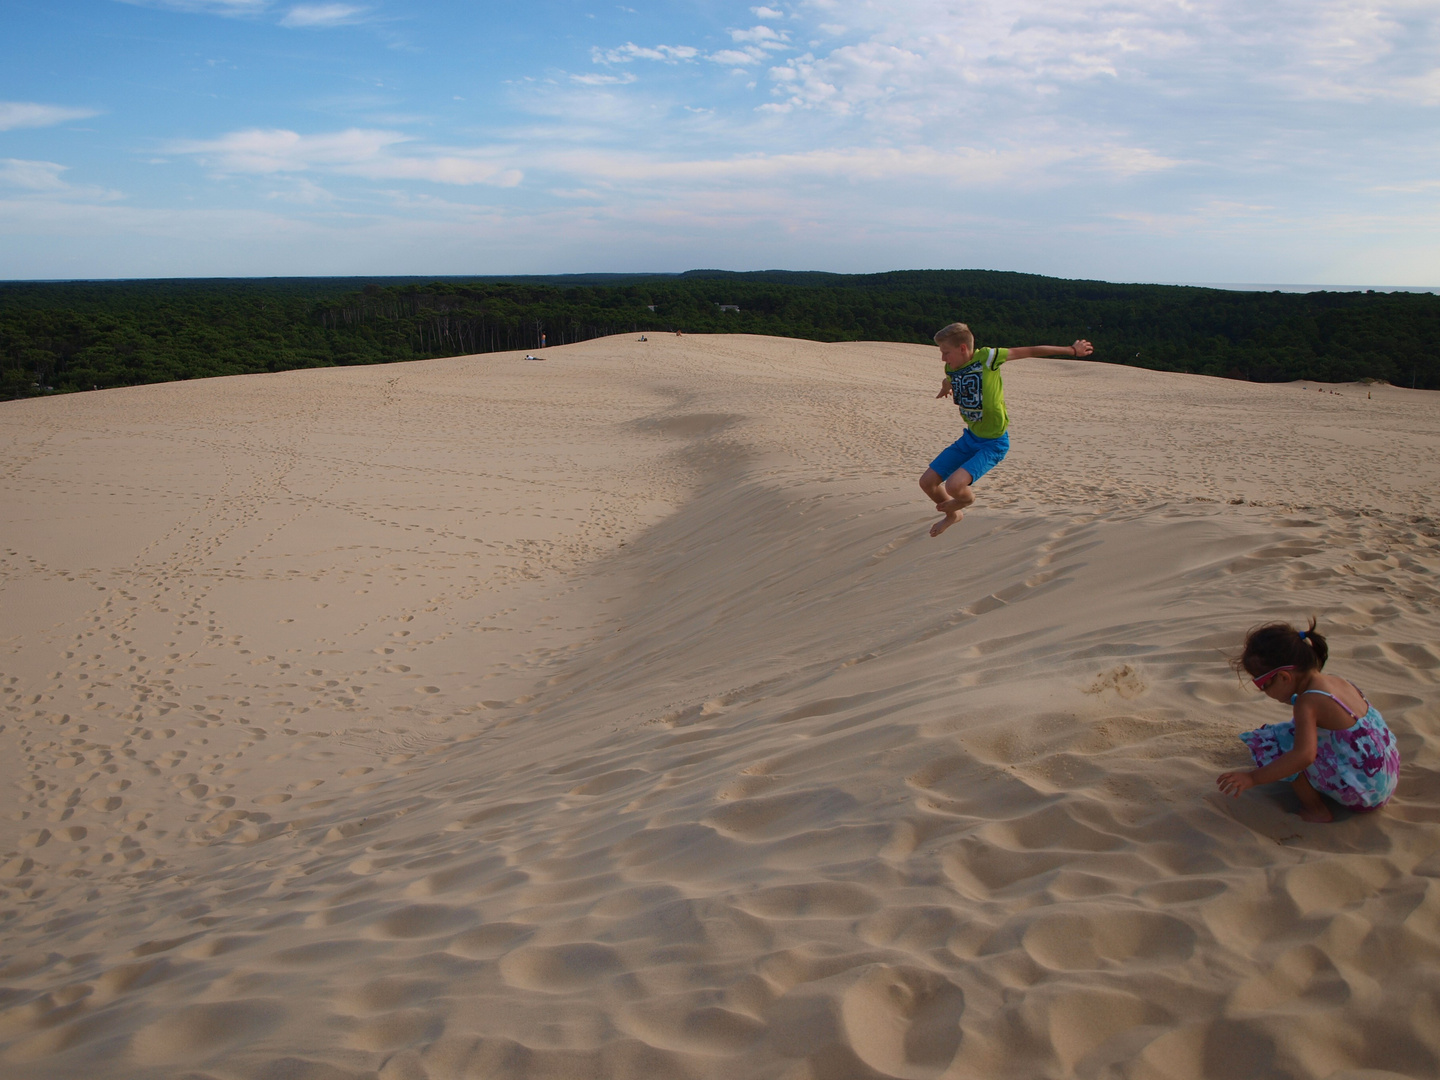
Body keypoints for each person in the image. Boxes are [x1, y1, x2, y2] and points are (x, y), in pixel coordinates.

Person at [1217, 619, 1400, 822]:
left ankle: (1315, 809)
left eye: (1263, 684)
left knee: (1277, 742)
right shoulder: (1336, 681)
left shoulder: (1307, 703)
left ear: (1285, 677)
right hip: (1385, 777)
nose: (1263, 691)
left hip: (1361, 793)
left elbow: (1304, 756)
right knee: (1292, 731)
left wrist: (1252, 778)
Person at [920, 322, 1093, 536]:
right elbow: (949, 378)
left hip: (993, 444)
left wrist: (1071, 350)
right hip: (970, 438)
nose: (943, 359)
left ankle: (964, 501)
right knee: (927, 482)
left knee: (954, 487)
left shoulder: (988, 358)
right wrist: (944, 387)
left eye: (946, 353)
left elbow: (1029, 351)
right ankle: (952, 515)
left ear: (963, 348)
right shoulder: (952, 367)